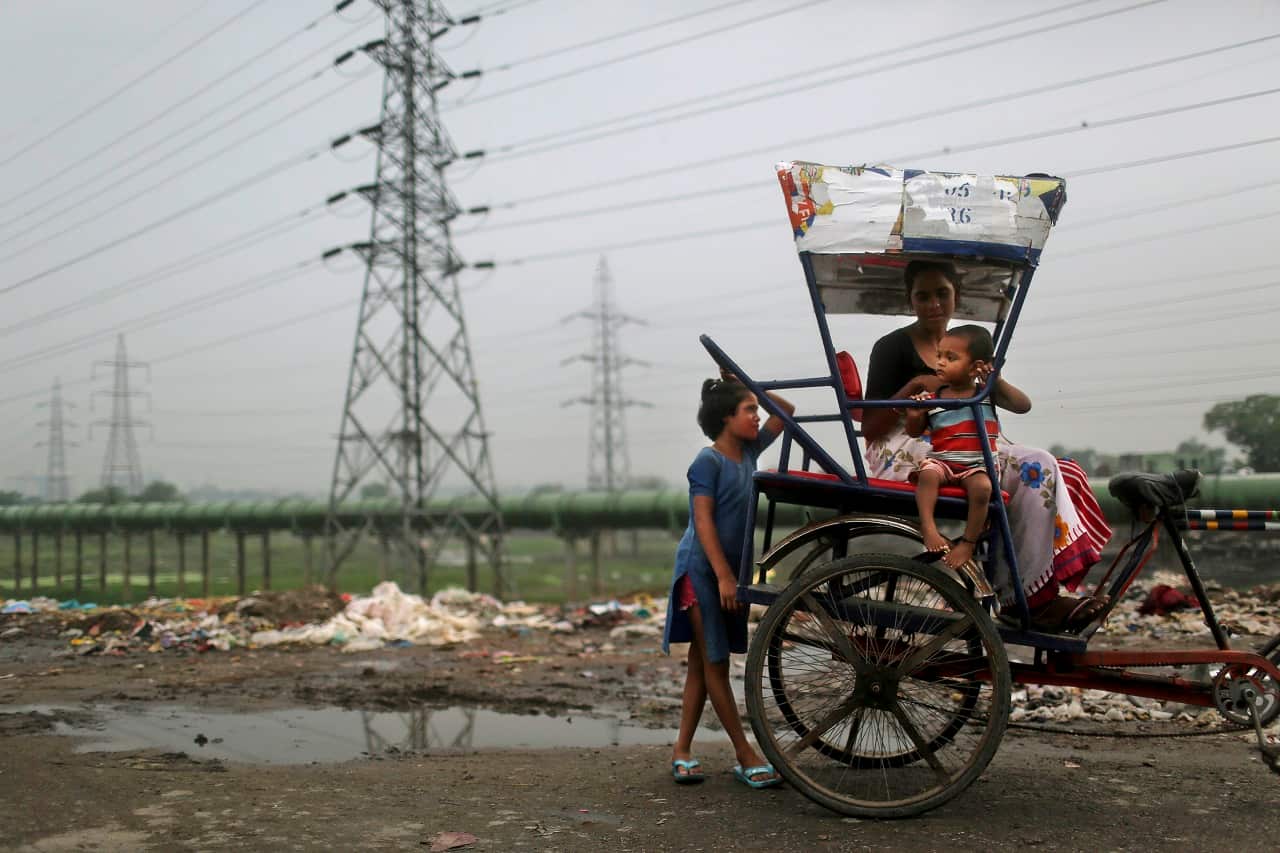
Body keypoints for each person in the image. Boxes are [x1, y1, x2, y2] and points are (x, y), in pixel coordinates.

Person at [862, 260, 1107, 631]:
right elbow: (869, 426)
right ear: (910, 299)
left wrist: (992, 378)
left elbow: (1019, 404)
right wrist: (914, 388)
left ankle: (1031, 588)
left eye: (941, 293)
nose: (933, 304)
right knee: (1036, 467)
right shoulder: (892, 347)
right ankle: (1029, 600)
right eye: (922, 296)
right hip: (906, 448)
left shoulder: (967, 347)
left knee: (1059, 468)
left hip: (968, 443)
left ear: (956, 296)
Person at [663, 372, 795, 788]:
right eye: (748, 410)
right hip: (700, 572)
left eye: (756, 410)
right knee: (715, 662)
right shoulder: (708, 461)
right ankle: (744, 753)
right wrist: (723, 577)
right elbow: (702, 522)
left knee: (702, 663)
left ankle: (681, 751)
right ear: (725, 418)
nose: (757, 416)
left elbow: (786, 412)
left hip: (725, 573)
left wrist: (747, 384)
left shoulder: (750, 452)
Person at [905, 324, 1030, 570]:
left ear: (975, 367)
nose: (940, 362)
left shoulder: (986, 394)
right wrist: (914, 414)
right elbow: (914, 431)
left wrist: (998, 381)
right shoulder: (933, 397)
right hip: (943, 461)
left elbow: (1022, 405)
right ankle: (929, 529)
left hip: (976, 466)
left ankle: (968, 542)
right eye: (939, 355)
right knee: (928, 475)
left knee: (983, 488)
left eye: (950, 358)